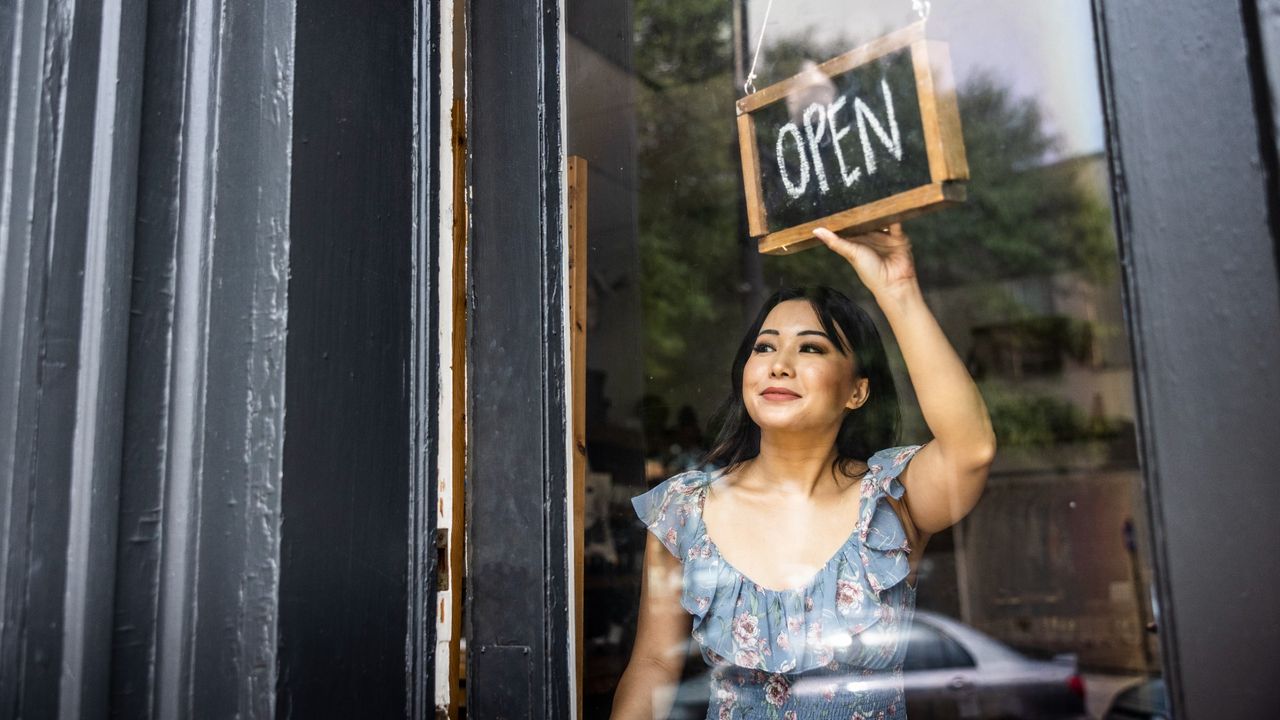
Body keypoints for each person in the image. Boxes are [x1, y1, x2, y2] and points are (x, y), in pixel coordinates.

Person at [610, 225, 996, 719]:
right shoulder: (683, 511)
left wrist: (897, 291)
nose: (779, 365)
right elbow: (651, 669)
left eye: (810, 348)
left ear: (856, 391)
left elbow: (972, 450)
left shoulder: (890, 499)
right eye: (765, 348)